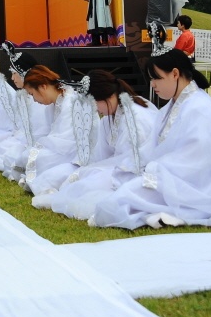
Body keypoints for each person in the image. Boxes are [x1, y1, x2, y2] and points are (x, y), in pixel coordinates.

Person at [90, 49, 211, 230]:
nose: (153, 84)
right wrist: (133, 165)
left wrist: (156, 170)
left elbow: (197, 158)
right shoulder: (172, 107)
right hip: (171, 175)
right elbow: (152, 147)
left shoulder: (200, 108)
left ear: (175, 74)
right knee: (117, 187)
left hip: (196, 184)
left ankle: (171, 212)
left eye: (157, 78)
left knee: (119, 201)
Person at [46, 70, 157, 220]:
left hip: (137, 174)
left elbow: (133, 162)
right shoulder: (109, 118)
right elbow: (101, 155)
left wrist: (97, 172)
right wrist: (88, 170)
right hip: (120, 169)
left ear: (108, 96)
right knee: (81, 177)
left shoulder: (135, 118)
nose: (95, 109)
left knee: (86, 186)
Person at [25, 68, 98, 204]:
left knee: (41, 165)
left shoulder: (71, 103)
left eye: (32, 94)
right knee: (31, 156)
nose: (34, 99)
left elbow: (67, 142)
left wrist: (43, 147)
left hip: (77, 157)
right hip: (64, 152)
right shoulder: (55, 104)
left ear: (43, 87)